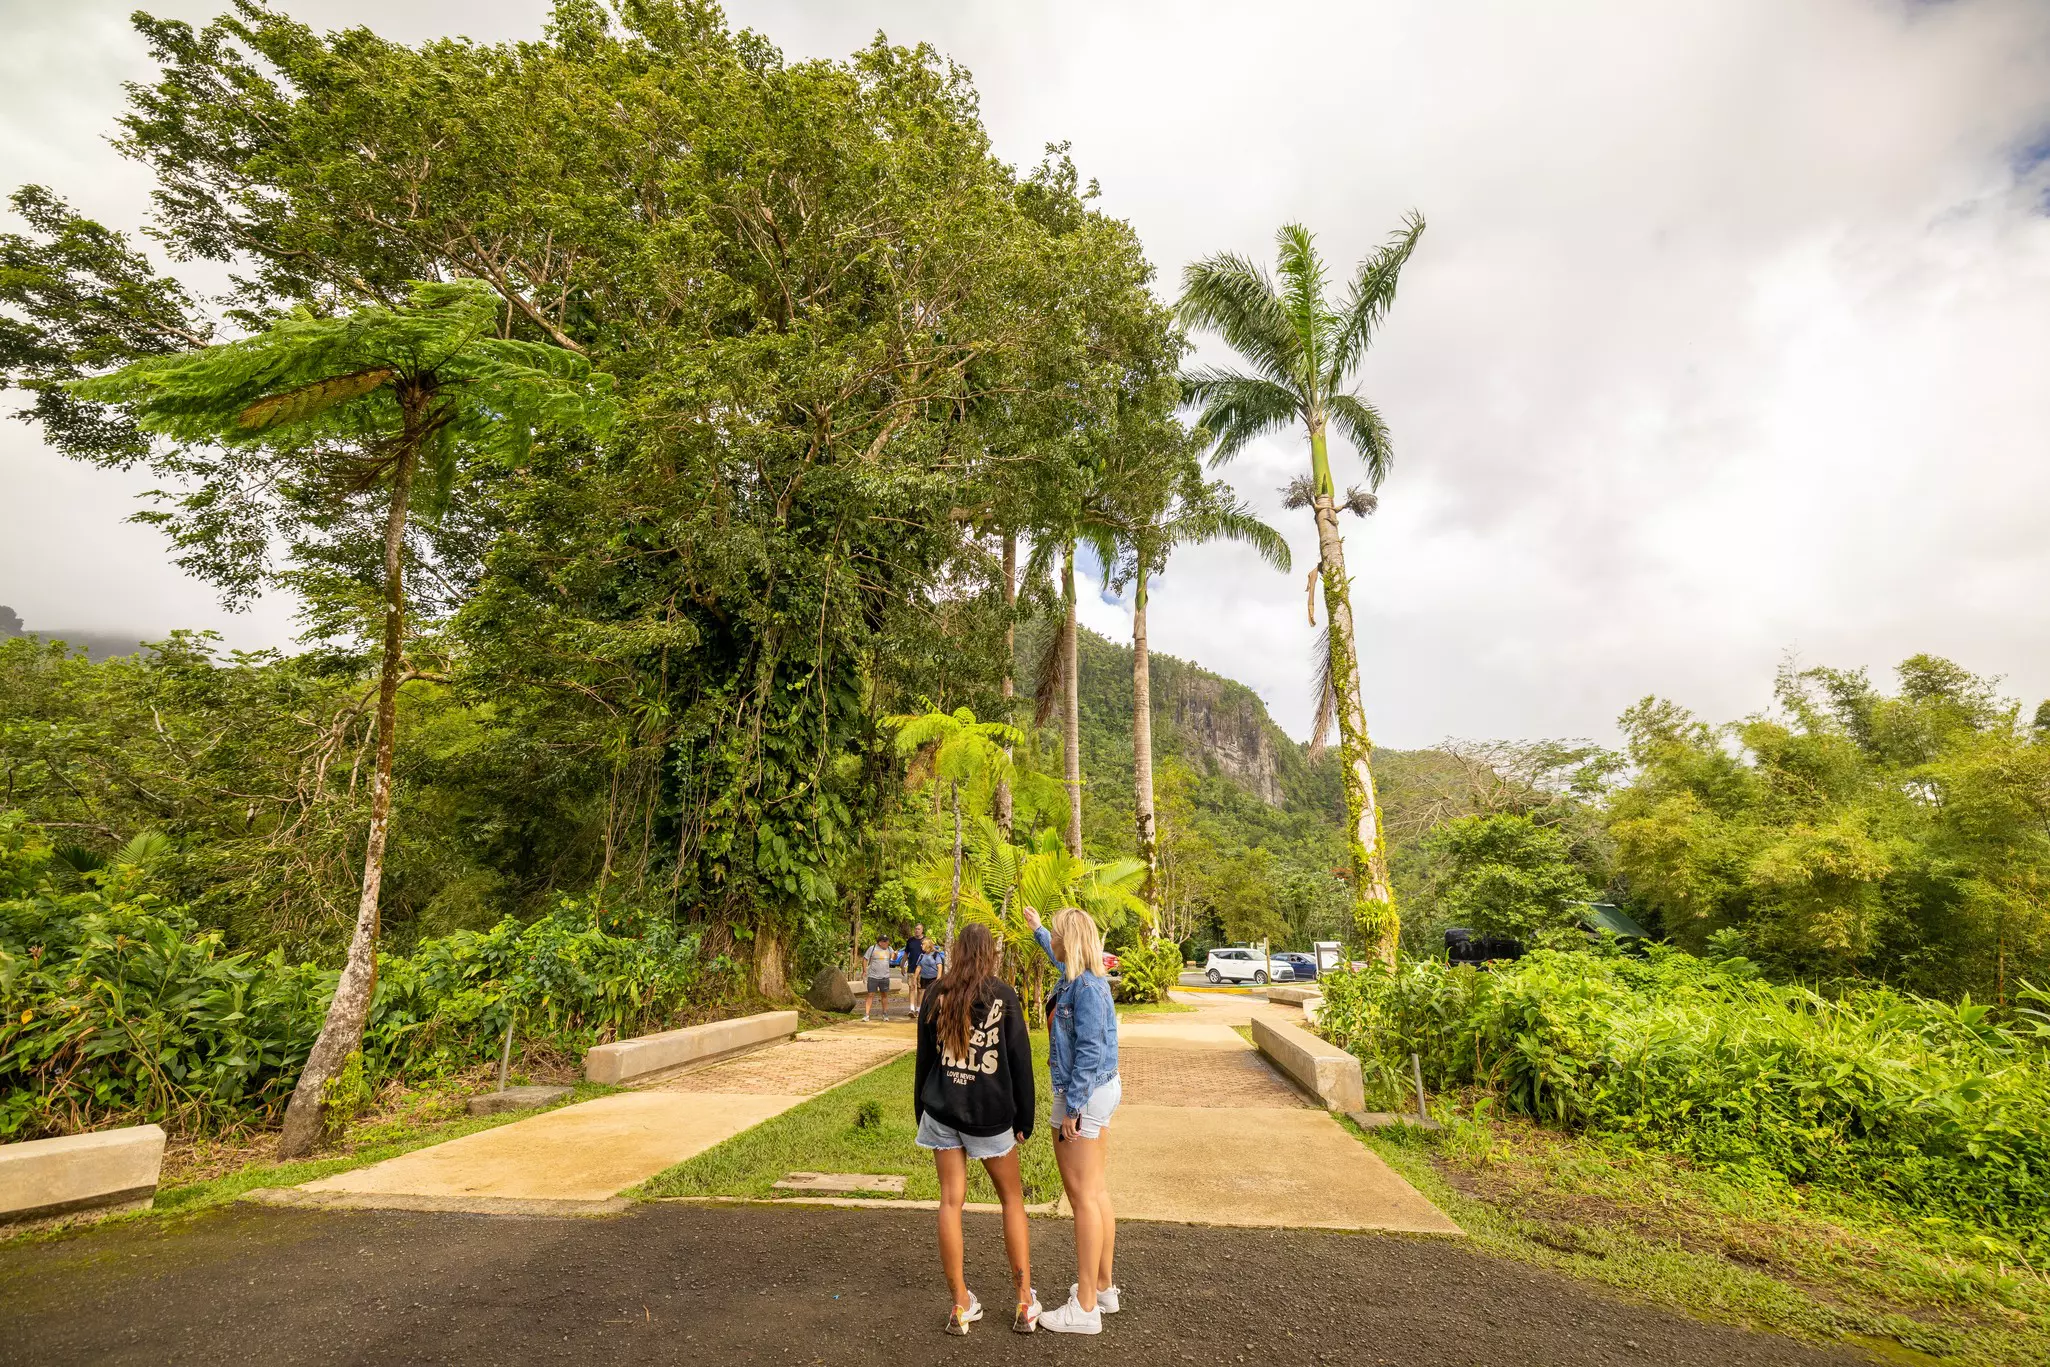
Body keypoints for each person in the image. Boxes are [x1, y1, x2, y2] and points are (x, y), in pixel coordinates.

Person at [912, 922, 1040, 1335]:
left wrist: (922, 1110)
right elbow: (1020, 1062)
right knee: (1012, 1201)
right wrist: (1026, 1119)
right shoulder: (1003, 996)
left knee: (951, 1202)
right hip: (990, 1116)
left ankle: (961, 1305)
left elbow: (924, 1061)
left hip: (942, 1113)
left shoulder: (936, 993)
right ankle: (1024, 1303)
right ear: (990, 954)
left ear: (957, 951)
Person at [1025, 905, 1121, 1335]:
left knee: (1082, 1197)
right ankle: (1102, 1288)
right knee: (1095, 1192)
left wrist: (1074, 1110)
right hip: (1096, 1091)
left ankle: (1084, 1308)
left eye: (1059, 934)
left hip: (1083, 1094)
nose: (1055, 942)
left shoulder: (1086, 990)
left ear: (1073, 940)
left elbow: (1089, 1051)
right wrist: (1038, 929)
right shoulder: (1079, 978)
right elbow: (1056, 953)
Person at [862, 933, 893, 1022]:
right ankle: (867, 1014)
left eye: (887, 941)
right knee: (870, 994)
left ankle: (885, 1014)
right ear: (880, 942)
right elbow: (865, 959)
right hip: (873, 976)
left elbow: (893, 958)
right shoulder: (872, 948)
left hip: (885, 976)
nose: (887, 943)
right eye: (885, 941)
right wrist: (864, 971)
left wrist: (894, 954)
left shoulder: (889, 949)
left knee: (884, 995)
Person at [902, 923, 928, 1016]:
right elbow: (906, 954)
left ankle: (919, 1009)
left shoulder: (926, 940)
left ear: (922, 930)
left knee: (921, 989)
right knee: (911, 988)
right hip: (911, 968)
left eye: (919, 929)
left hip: (923, 969)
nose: (917, 930)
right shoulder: (910, 940)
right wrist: (902, 965)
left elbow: (930, 952)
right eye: (916, 929)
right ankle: (911, 1009)